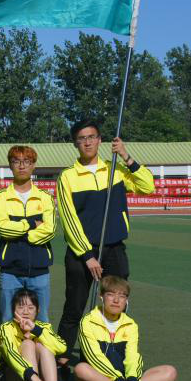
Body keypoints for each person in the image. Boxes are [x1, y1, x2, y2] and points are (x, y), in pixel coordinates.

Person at [56, 120, 155, 366]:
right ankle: (62, 362)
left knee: (116, 304)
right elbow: (69, 219)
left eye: (92, 137)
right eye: (82, 138)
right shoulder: (68, 177)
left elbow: (148, 186)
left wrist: (126, 156)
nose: (87, 142)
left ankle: (115, 357)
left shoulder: (115, 170)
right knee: (74, 308)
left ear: (100, 140)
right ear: (75, 144)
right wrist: (87, 255)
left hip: (114, 248)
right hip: (82, 253)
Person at [74, 276, 177, 381]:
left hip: (125, 380)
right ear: (101, 296)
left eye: (122, 296)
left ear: (126, 300)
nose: (116, 300)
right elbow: (95, 358)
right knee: (81, 370)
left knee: (169, 372)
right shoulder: (88, 321)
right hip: (99, 378)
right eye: (110, 295)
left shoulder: (131, 324)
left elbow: (133, 357)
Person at [0, 145, 56, 322]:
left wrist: (23, 233)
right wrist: (31, 224)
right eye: (16, 161)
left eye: (27, 161)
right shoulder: (0, 197)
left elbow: (50, 230)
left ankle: (40, 343)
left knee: (41, 319)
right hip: (10, 270)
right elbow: (3, 228)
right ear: (10, 165)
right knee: (7, 319)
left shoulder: (45, 197)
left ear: (33, 165)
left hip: (39, 269)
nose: (21, 166)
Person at [0, 289, 68, 381]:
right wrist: (34, 378)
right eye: (21, 307)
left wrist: (35, 330)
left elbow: (62, 347)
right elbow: (10, 354)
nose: (25, 312)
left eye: (31, 307)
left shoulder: (43, 327)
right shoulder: (5, 328)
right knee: (28, 344)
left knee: (43, 345)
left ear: (38, 310)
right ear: (13, 310)